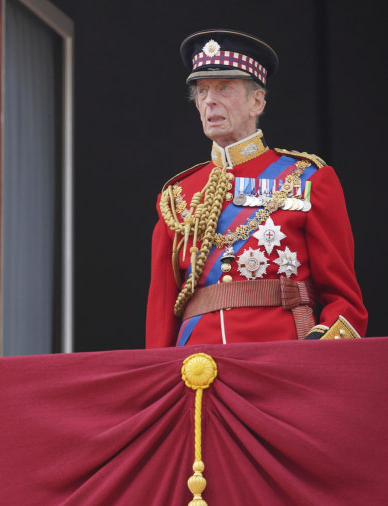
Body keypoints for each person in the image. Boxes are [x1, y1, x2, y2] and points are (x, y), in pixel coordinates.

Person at [146, 29, 368, 348]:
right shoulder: (177, 195)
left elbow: (346, 304)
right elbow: (161, 316)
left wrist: (315, 352)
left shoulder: (308, 179)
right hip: (195, 366)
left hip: (281, 363)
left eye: (224, 88)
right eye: (202, 91)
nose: (210, 100)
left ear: (257, 101)